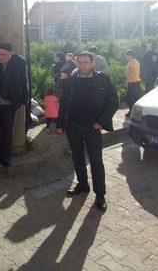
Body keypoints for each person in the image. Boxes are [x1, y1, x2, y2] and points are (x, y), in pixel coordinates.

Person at [59, 52, 119, 211]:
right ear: (76, 63)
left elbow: (113, 101)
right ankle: (83, 185)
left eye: (86, 62)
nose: (82, 65)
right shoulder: (71, 80)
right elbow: (64, 102)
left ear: (92, 63)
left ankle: (100, 195)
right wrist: (60, 123)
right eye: (80, 62)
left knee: (96, 161)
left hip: (93, 128)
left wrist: (101, 122)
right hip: (73, 126)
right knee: (77, 158)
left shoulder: (102, 79)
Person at [125, 50, 142, 117]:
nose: (126, 57)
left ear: (130, 55)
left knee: (129, 99)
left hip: (131, 82)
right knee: (136, 98)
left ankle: (131, 112)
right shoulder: (136, 61)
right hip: (137, 81)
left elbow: (129, 73)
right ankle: (136, 112)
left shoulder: (130, 63)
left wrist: (126, 82)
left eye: (126, 56)